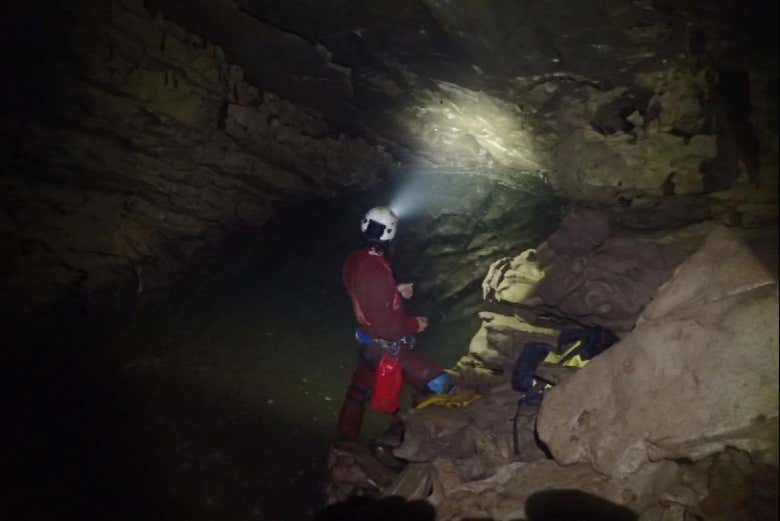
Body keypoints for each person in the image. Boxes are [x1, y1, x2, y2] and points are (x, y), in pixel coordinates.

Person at [337, 206, 453, 440]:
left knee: (358, 394)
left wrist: (395, 291)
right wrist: (414, 325)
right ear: (391, 234)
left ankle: (345, 441)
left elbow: (367, 294)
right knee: (439, 383)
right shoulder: (377, 271)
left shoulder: (354, 260)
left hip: (366, 342)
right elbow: (387, 328)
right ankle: (403, 437)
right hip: (385, 346)